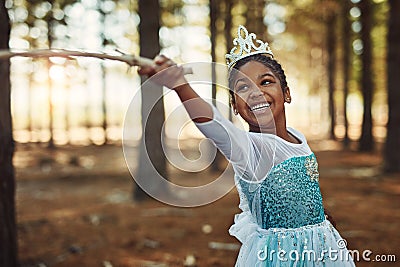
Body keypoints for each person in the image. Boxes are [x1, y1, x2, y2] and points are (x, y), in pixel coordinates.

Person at [138, 25, 356, 266]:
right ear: (234, 105)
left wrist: (320, 220)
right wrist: (180, 84)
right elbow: (213, 122)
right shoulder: (248, 149)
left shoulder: (297, 138)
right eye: (242, 88)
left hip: (322, 250)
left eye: (265, 82)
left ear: (286, 93)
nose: (255, 92)